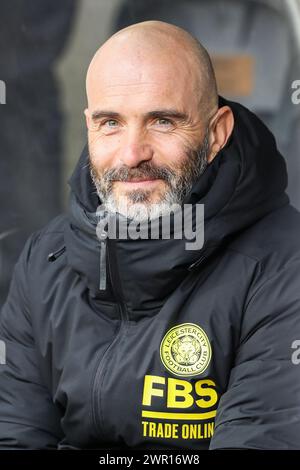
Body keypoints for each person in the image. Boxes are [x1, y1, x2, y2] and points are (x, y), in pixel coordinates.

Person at [0, 20, 299, 450]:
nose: (133, 153)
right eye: (110, 123)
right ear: (89, 126)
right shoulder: (45, 260)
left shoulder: (286, 265)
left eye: (161, 121)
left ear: (216, 133)